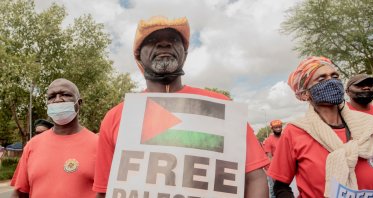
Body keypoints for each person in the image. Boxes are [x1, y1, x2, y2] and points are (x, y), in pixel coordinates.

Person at [93, 16, 269, 198]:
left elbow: (254, 178)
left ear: (185, 53)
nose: (164, 45)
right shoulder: (116, 116)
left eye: (173, 40)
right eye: (152, 40)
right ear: (138, 55)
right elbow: (104, 189)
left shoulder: (222, 107)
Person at [268, 56, 373, 197]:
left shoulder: (370, 126)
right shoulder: (295, 132)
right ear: (304, 94)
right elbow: (280, 186)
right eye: (321, 79)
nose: (331, 81)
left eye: (335, 76)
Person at [11, 78, 98, 198]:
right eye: (51, 97)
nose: (57, 100)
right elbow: (20, 193)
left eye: (65, 94)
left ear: (79, 103)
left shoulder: (99, 145)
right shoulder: (32, 145)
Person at [263, 120, 283, 198]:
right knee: (273, 189)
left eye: (279, 127)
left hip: (283, 167)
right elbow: (269, 157)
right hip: (272, 168)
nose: (278, 129)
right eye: (276, 127)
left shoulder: (285, 137)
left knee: (283, 188)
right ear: (272, 128)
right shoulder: (269, 140)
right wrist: (273, 173)